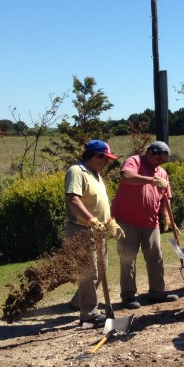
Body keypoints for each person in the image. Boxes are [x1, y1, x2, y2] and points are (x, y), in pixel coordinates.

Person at [110, 141, 179, 309]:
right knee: (128, 259)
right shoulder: (134, 161)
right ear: (150, 152)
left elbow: (165, 198)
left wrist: (168, 218)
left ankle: (157, 293)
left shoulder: (162, 172)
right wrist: (152, 180)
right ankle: (128, 296)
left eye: (163, 161)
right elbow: (126, 177)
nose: (160, 163)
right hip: (127, 221)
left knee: (156, 257)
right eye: (158, 159)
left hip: (151, 222)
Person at [65, 139, 124, 326]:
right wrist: (90, 219)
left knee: (100, 271)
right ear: (95, 156)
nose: (107, 162)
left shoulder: (96, 175)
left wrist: (110, 221)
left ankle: (78, 302)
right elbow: (73, 199)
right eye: (105, 158)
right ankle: (88, 314)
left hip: (98, 230)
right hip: (82, 229)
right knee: (89, 273)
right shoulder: (77, 171)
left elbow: (99, 204)